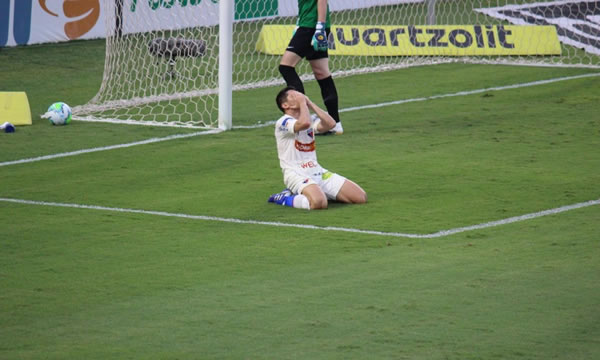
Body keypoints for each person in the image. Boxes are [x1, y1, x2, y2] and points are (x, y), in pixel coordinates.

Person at [268, 87, 367, 210]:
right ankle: (283, 197)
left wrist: (310, 104)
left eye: (300, 94)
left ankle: (315, 191)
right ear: (285, 105)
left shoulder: (309, 118)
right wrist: (303, 103)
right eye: (294, 96)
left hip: (317, 171)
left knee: (360, 197)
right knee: (319, 203)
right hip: (295, 173)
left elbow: (331, 124)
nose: (300, 97)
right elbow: (304, 124)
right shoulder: (283, 122)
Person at [278, 0, 343, 135]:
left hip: (311, 26)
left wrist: (320, 26)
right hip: (309, 24)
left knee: (286, 67)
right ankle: (335, 123)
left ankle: (301, 116)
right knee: (321, 73)